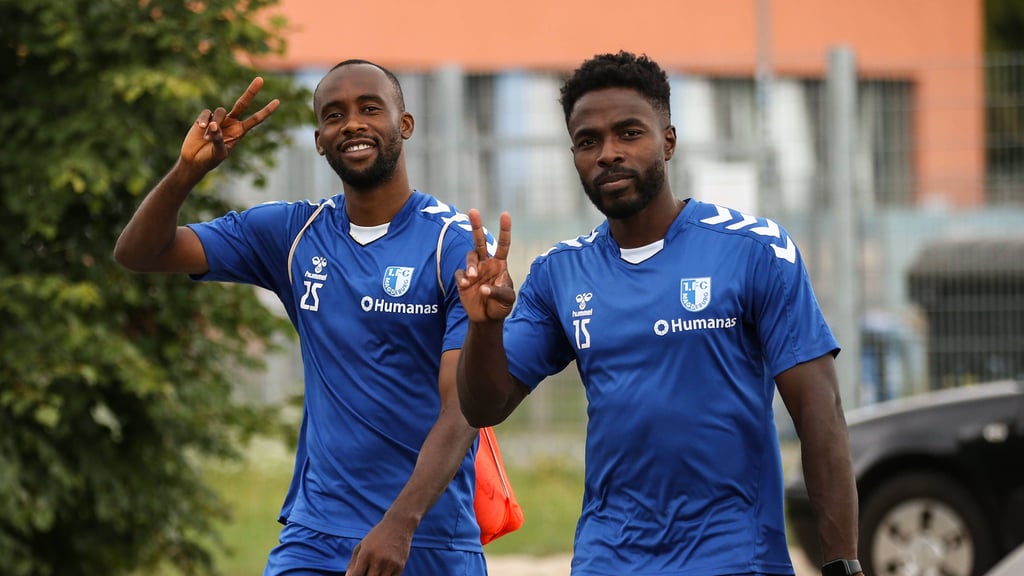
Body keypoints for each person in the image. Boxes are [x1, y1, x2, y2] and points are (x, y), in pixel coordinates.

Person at [454, 51, 862, 576]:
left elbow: (821, 417)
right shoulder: (560, 272)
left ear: (668, 140)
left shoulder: (754, 250)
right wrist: (485, 328)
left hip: (735, 558)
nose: (608, 154)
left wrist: (842, 563)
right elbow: (485, 406)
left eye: (629, 133)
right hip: (609, 559)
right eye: (588, 141)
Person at [114, 60, 489, 576]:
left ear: (405, 125)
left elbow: (464, 405)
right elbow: (140, 253)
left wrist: (400, 524)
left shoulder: (454, 244)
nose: (352, 123)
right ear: (319, 141)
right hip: (315, 536)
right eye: (334, 115)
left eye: (369, 108)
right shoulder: (293, 233)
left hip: (427, 537)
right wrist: (187, 173)